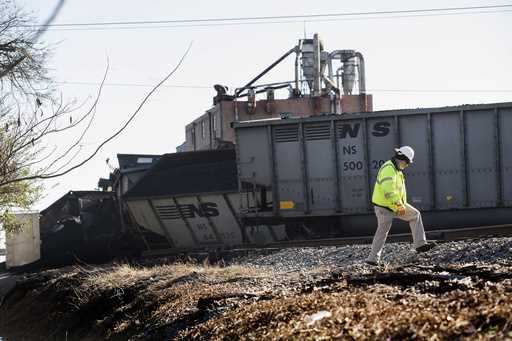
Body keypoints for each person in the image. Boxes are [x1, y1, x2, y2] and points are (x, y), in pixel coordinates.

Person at [366, 146, 436, 266]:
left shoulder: (396, 169)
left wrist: (399, 205)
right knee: (382, 232)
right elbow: (389, 191)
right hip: (385, 207)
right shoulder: (389, 169)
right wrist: (398, 205)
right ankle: (372, 259)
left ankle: (420, 245)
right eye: (408, 162)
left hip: (395, 205)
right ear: (402, 159)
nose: (407, 165)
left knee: (415, 215)